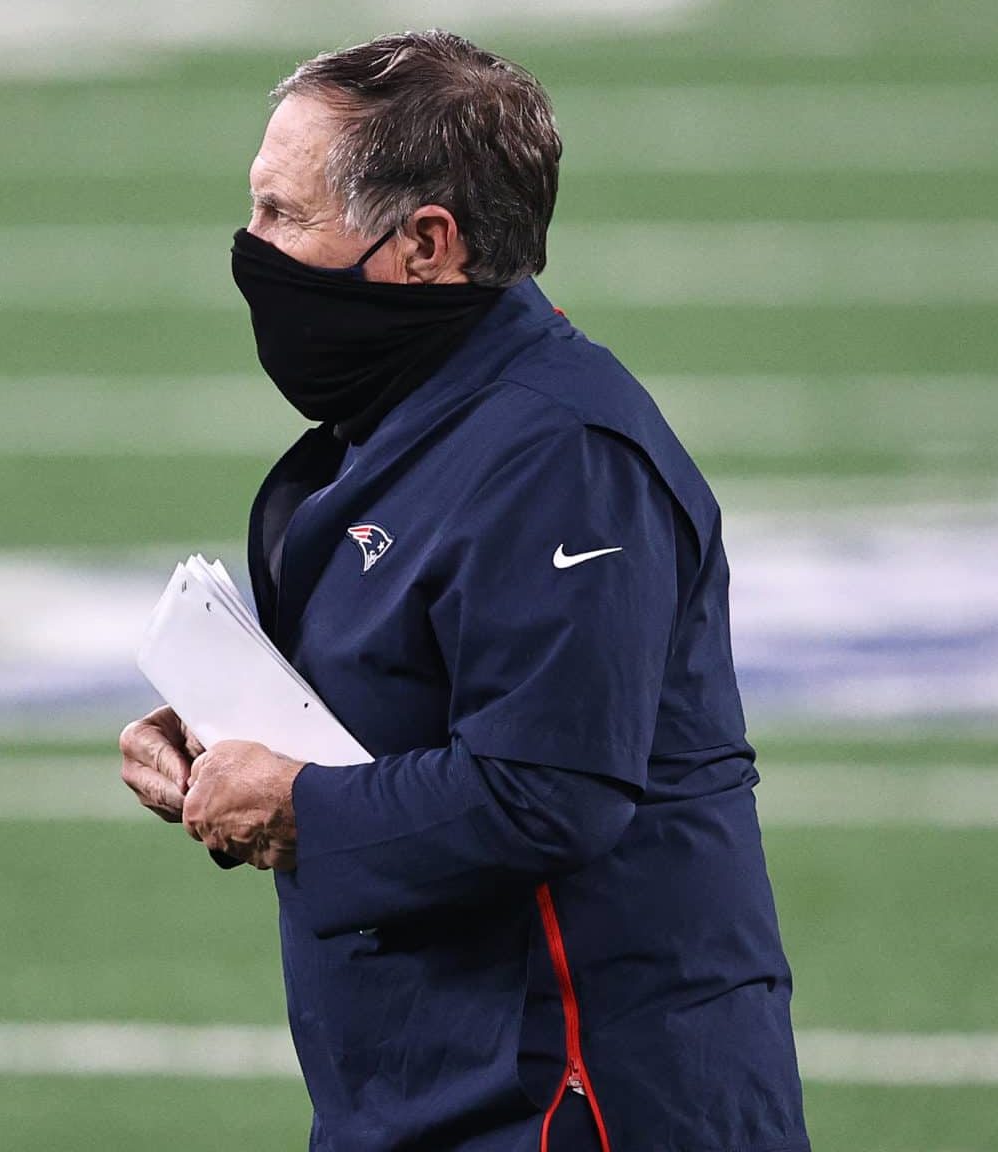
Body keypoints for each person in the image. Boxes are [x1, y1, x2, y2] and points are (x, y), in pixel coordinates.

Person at [118, 30, 810, 1152]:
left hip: (576, 1097)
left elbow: (551, 787)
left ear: (425, 244)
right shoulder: (392, 428)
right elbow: (404, 711)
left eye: (283, 215)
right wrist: (220, 743)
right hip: (425, 1081)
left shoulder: (559, 456)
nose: (250, 250)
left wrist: (294, 804)